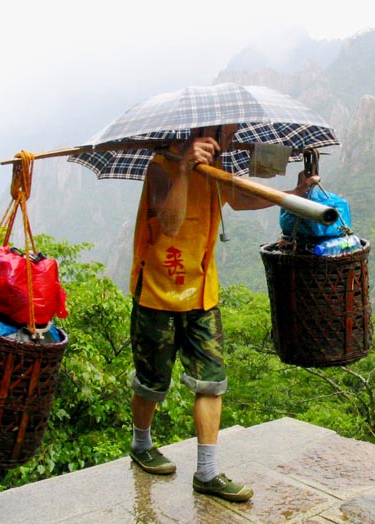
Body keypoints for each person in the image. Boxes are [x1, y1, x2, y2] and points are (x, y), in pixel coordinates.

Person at [127, 124, 319, 502]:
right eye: (226, 131)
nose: (230, 137)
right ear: (205, 129)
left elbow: (240, 197)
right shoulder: (161, 166)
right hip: (157, 292)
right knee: (152, 381)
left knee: (211, 381)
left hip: (201, 293)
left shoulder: (215, 167)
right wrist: (185, 169)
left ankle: (208, 471)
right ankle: (141, 442)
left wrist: (294, 194)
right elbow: (168, 224)